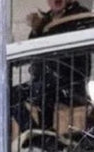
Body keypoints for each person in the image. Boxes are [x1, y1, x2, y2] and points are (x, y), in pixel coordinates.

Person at [14, 0, 92, 134]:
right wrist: (35, 29)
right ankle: (38, 133)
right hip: (45, 80)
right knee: (11, 94)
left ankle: (46, 133)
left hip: (71, 80)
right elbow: (33, 50)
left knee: (46, 86)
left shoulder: (80, 14)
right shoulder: (45, 20)